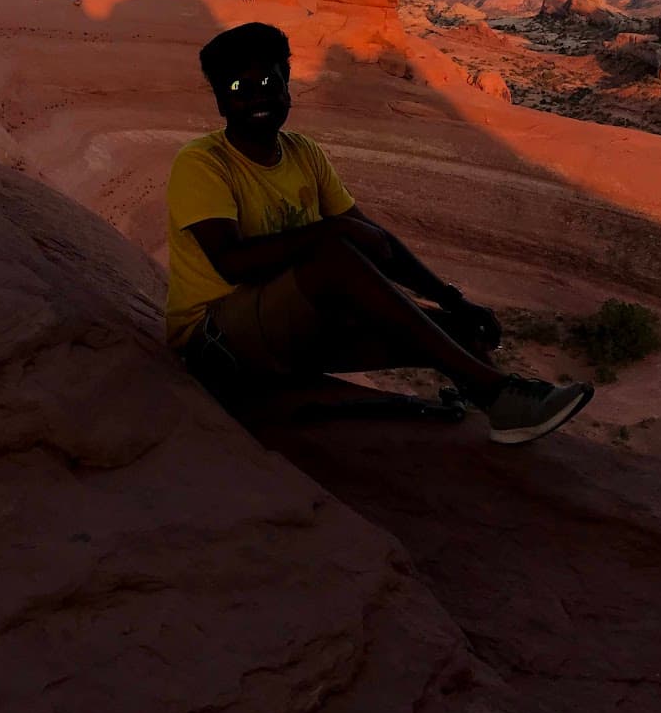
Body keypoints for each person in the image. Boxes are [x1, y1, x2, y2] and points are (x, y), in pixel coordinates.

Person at [164, 22, 594, 445]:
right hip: (216, 344)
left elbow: (375, 240)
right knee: (333, 252)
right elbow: (232, 262)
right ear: (220, 102)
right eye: (239, 89)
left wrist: (451, 299)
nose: (257, 95)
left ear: (287, 86)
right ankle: (494, 393)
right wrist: (333, 228)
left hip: (290, 334)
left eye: (267, 81)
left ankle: (509, 410)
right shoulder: (202, 163)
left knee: (456, 331)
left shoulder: (304, 153)